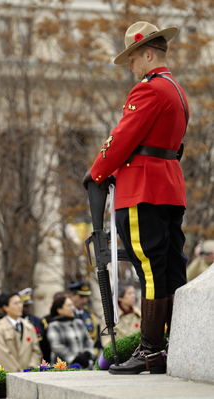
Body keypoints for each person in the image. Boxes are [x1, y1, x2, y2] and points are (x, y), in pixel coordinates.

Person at [83, 21, 189, 375]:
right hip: (169, 186)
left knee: (150, 269)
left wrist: (97, 171)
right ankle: (176, 343)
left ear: (147, 53)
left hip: (143, 189)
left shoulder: (148, 90)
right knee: (172, 268)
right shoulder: (176, 89)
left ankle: (150, 351)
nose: (130, 67)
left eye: (132, 58)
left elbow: (121, 138)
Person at [0, 292, 42, 372]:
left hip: (30, 374)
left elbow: (36, 351)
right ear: (5, 307)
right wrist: (19, 373)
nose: (20, 306)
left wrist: (31, 369)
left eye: (20, 302)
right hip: (11, 375)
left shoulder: (28, 326)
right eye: (16, 303)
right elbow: (2, 356)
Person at [47, 293, 94, 368]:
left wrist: (87, 353)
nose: (72, 308)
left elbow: (88, 340)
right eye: (69, 306)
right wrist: (75, 358)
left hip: (83, 367)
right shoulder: (54, 325)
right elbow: (56, 346)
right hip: (64, 368)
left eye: (72, 305)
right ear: (59, 309)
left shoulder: (78, 322)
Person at [100, 281, 141, 348]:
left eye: (133, 293)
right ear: (119, 298)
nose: (133, 296)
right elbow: (106, 343)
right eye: (129, 293)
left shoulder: (139, 315)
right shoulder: (109, 317)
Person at [67, 282, 100, 355]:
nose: (85, 300)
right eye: (81, 297)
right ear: (72, 296)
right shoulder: (67, 315)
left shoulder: (90, 315)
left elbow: (96, 340)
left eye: (86, 297)